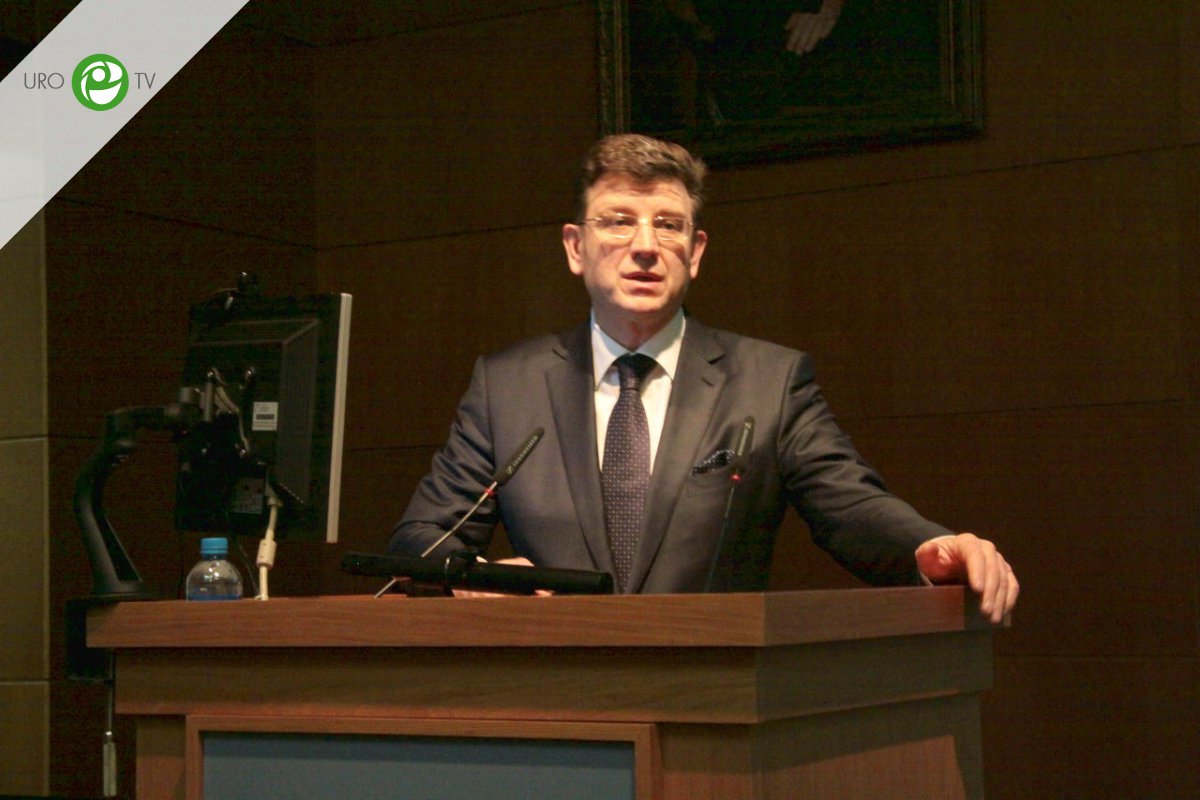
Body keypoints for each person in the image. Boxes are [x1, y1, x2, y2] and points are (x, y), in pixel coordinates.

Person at [390, 134, 1018, 622]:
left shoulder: (768, 382)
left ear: (694, 252)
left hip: (714, 692)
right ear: (576, 247)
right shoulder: (509, 386)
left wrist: (929, 546)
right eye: (618, 220)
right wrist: (478, 579)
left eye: (668, 224)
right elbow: (422, 536)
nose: (645, 245)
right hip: (558, 693)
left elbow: (849, 505)